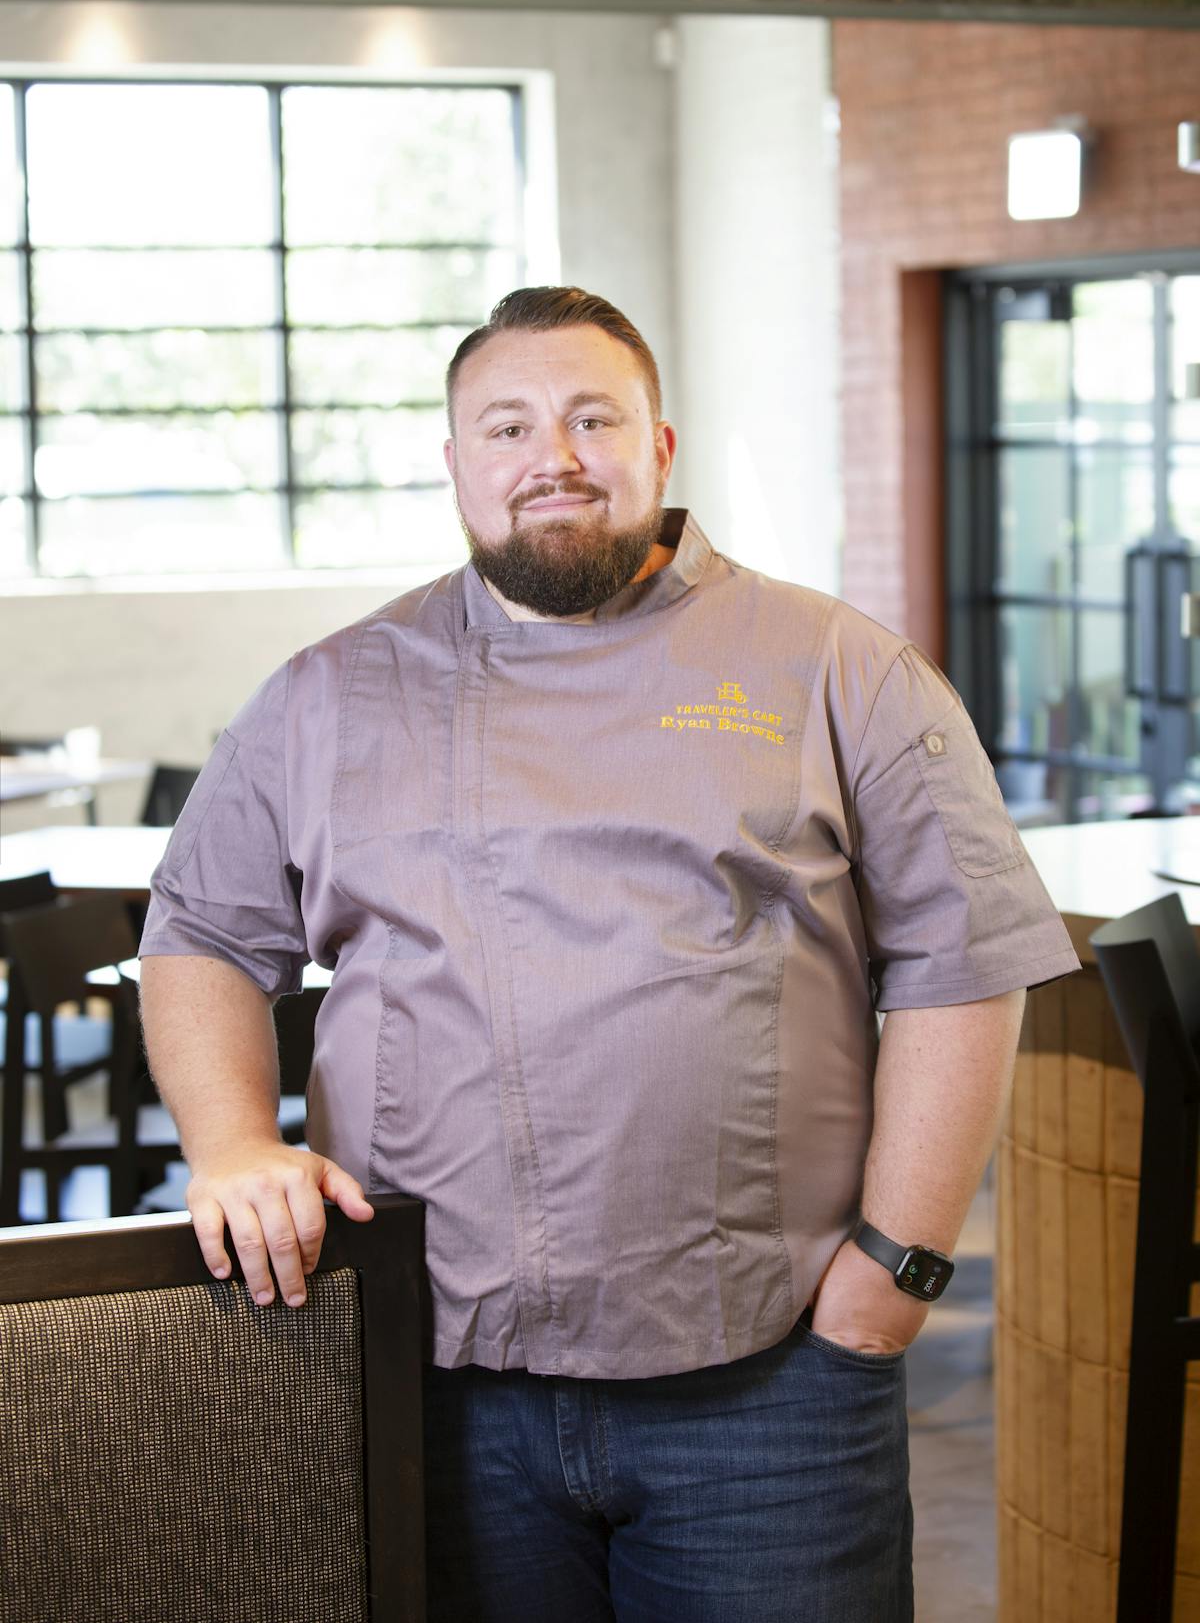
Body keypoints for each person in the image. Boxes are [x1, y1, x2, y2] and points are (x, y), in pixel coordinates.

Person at [140, 285, 1080, 1622]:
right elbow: (201, 934)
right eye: (508, 426)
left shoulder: (837, 668)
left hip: (767, 1388)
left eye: (594, 417)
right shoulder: (331, 691)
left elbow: (964, 960)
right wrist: (232, 1143)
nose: (554, 457)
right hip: (438, 1378)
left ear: (661, 445)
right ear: (457, 462)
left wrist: (894, 1275)